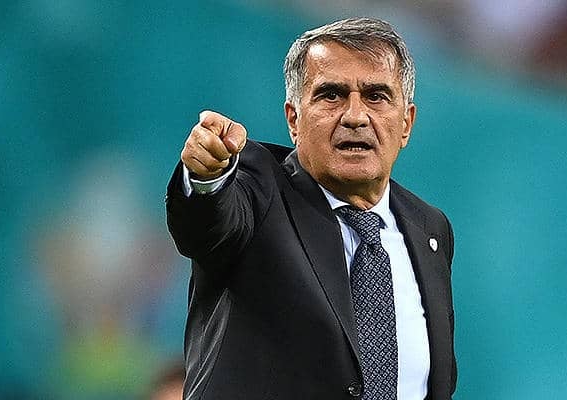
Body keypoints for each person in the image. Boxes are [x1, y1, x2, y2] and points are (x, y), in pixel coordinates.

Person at [166, 17, 455, 399]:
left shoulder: (429, 228)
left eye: (376, 96)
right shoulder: (259, 189)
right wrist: (208, 177)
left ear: (406, 123)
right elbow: (207, 225)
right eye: (331, 95)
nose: (355, 116)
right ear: (294, 119)